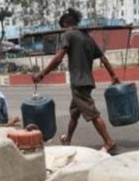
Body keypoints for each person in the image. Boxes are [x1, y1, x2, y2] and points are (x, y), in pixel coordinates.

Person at [32, 8, 120, 153]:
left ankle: (108, 142)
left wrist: (42, 74)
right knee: (74, 113)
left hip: (79, 82)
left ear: (66, 23)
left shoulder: (68, 35)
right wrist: (113, 75)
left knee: (92, 113)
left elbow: (59, 58)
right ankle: (68, 139)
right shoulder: (87, 37)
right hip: (87, 81)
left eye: (62, 27)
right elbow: (103, 58)